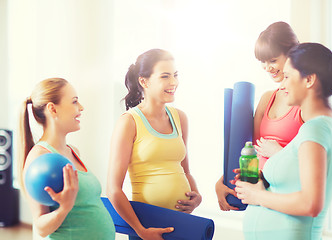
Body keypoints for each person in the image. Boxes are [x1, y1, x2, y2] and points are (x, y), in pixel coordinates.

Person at [235, 42, 332, 239]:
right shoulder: (317, 128)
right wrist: (260, 185)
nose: (283, 84)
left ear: (309, 80)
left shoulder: (316, 129)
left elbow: (310, 203)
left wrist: (258, 196)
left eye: (287, 76)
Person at [107, 49, 202, 240]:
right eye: (165, 76)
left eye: (175, 75)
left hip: (181, 223)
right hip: (146, 227)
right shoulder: (129, 121)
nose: (173, 82)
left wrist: (196, 195)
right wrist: (140, 230)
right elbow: (113, 189)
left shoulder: (180, 117)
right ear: (144, 81)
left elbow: (185, 170)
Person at [215, 21, 303, 211]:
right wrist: (222, 180)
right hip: (258, 197)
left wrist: (279, 153)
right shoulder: (267, 98)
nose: (267, 68)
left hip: (287, 198)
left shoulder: (305, 101)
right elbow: (250, 151)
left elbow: (312, 163)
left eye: (272, 60)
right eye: (262, 62)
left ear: (292, 52)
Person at [18, 78, 115, 239]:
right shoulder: (39, 157)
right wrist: (64, 208)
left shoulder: (73, 151)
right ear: (53, 109)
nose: (81, 107)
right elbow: (41, 227)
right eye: (74, 102)